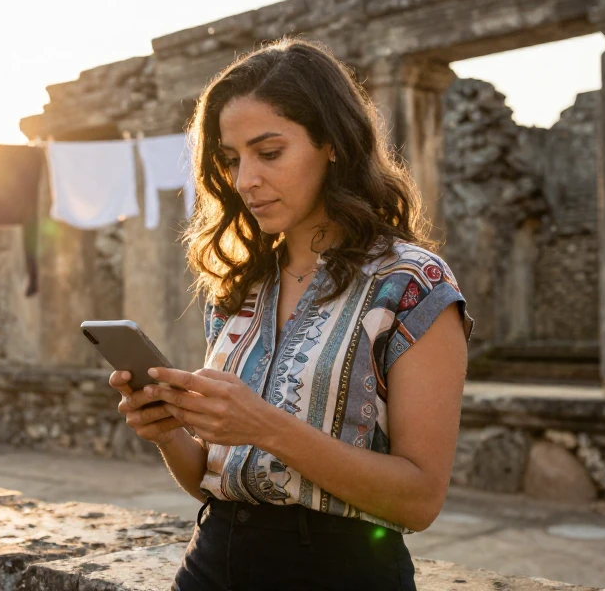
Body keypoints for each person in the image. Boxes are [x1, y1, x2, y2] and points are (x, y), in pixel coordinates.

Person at [109, 38, 473, 591]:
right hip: (211, 565)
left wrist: (264, 425)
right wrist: (168, 433)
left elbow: (419, 500)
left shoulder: (411, 285)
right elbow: (217, 478)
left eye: (269, 152)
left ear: (332, 143)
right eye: (231, 159)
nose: (244, 180)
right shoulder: (239, 285)